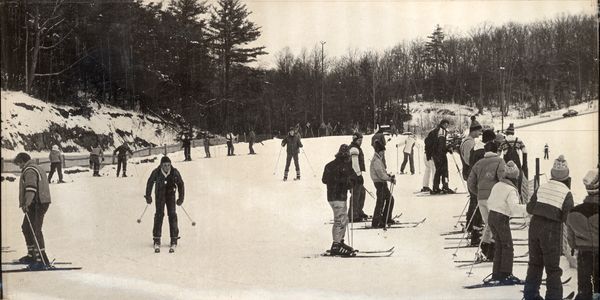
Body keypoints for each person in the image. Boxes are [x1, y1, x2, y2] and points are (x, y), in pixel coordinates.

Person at [523, 155, 574, 300]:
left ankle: (531, 295)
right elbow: (568, 218)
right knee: (552, 268)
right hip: (551, 230)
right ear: (567, 176)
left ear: (551, 174)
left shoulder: (542, 187)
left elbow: (530, 208)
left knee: (534, 264)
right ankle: (554, 297)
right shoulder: (566, 193)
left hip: (535, 227)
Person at [486, 161, 527, 284]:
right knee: (508, 246)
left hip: (492, 216)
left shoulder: (497, 185)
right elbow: (514, 208)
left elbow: (489, 201)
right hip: (501, 218)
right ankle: (506, 274)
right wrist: (528, 208)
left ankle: (497, 274)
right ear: (515, 176)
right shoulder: (511, 190)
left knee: (499, 245)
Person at [468, 141, 506, 261]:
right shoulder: (500, 161)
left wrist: (478, 192)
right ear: (496, 151)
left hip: (481, 198)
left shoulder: (479, 163)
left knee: (488, 223)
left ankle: (485, 249)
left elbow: (470, 182)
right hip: (494, 198)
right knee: (494, 224)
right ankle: (492, 251)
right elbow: (502, 179)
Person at [14, 152, 51, 268]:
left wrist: (26, 203)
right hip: (37, 202)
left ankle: (41, 259)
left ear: (23, 161)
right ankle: (31, 255)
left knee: (35, 229)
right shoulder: (35, 167)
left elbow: (31, 188)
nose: (19, 166)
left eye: (19, 163)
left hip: (37, 203)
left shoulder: (29, 170)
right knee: (26, 227)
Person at [566, 169, 599, 300]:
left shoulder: (574, 212)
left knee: (584, 286)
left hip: (583, 254)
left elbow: (571, 240)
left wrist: (577, 245)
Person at [145, 156, 185, 252]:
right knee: (159, 215)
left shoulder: (174, 172)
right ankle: (157, 239)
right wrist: (148, 196)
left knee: (172, 215)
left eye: (168, 165)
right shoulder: (157, 172)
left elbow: (181, 184)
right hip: (159, 196)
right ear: (161, 165)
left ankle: (174, 239)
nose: (167, 167)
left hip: (171, 196)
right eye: (164, 165)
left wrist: (181, 198)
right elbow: (150, 182)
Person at [322, 144, 356, 256]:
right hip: (339, 197)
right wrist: (349, 184)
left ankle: (340, 242)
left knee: (342, 219)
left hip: (331, 197)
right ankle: (336, 245)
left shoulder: (329, 165)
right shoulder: (345, 166)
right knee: (340, 220)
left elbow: (324, 180)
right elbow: (347, 181)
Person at [459, 117, 483, 245]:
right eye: (479, 131)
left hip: (469, 172)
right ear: (473, 131)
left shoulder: (468, 141)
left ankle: (470, 224)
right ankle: (471, 225)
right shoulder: (469, 142)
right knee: (474, 199)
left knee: (474, 199)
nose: (480, 134)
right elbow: (469, 159)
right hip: (470, 172)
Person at [370, 143, 396, 228]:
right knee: (380, 202)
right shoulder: (376, 160)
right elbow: (380, 174)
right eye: (383, 152)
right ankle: (376, 221)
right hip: (379, 183)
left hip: (382, 182)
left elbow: (382, 173)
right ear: (379, 151)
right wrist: (389, 179)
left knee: (390, 199)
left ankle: (386, 218)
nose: (383, 153)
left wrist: (388, 175)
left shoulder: (378, 159)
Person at [500, 123, 528, 202]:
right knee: (518, 184)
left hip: (506, 166)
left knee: (508, 185)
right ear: (513, 132)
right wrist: (524, 165)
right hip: (517, 165)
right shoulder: (518, 140)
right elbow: (525, 151)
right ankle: (519, 200)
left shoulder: (503, 141)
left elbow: (498, 154)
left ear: (507, 133)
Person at [348, 132, 368, 222]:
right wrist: (359, 175)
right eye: (359, 140)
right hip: (354, 175)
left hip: (355, 174)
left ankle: (358, 211)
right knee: (356, 194)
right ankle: (353, 214)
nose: (361, 142)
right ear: (355, 140)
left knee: (362, 192)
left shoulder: (355, 148)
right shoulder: (354, 149)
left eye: (361, 140)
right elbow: (355, 164)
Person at [430, 119, 454, 194]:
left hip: (435, 154)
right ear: (443, 124)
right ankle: (445, 186)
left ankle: (436, 187)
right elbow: (441, 144)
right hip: (440, 155)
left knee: (438, 171)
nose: (447, 126)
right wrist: (447, 149)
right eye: (446, 124)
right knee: (444, 171)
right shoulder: (442, 131)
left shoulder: (436, 130)